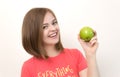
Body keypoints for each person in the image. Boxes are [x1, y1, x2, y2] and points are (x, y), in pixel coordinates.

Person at [21, 8, 100, 77]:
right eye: (45, 27)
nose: (53, 28)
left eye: (54, 23)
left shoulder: (75, 55)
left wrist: (90, 54)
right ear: (33, 33)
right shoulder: (28, 67)